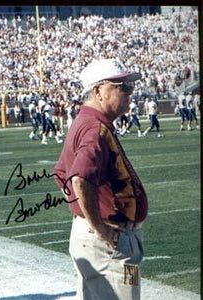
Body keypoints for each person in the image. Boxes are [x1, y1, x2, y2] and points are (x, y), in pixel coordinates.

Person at [54, 59, 148, 300]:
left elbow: (61, 174)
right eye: (122, 86)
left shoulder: (87, 123)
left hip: (96, 240)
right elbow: (79, 178)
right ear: (98, 91)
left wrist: (83, 216)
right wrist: (99, 227)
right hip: (111, 243)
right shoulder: (94, 128)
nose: (130, 92)